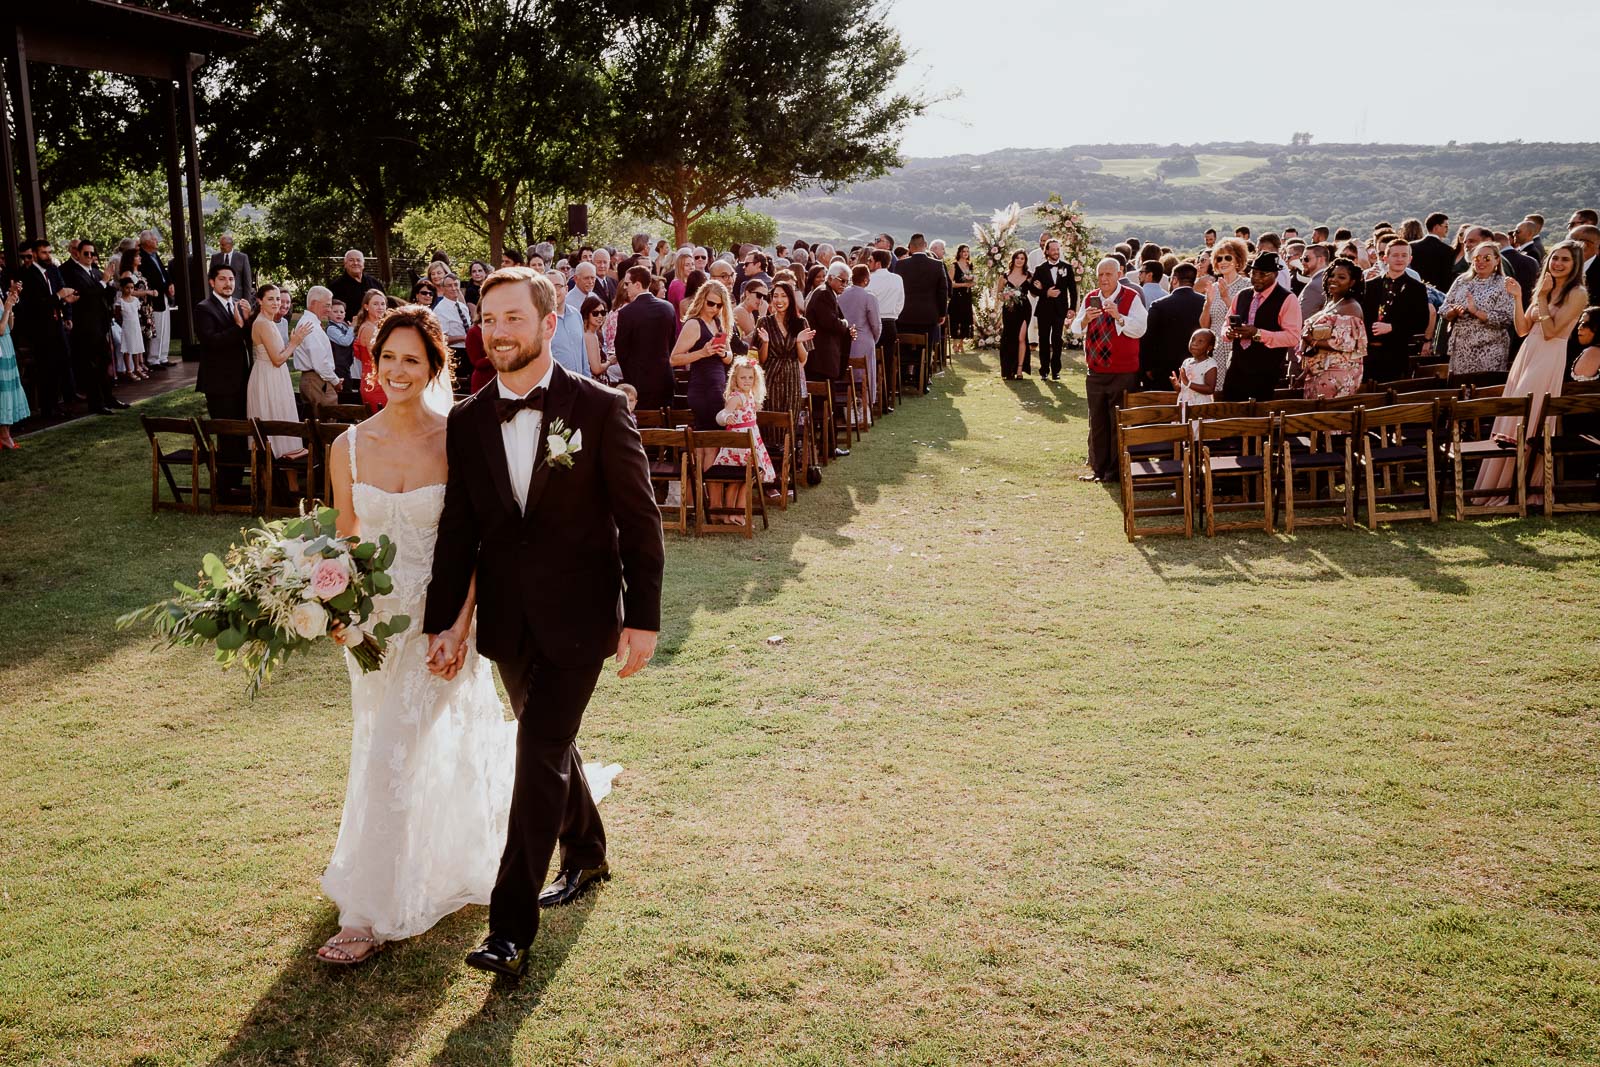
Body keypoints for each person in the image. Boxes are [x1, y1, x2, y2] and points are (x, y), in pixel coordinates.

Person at [422, 267, 663, 980]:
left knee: (536, 758)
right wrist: (447, 622)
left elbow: (639, 520)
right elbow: (457, 528)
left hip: (583, 620)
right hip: (507, 625)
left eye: (512, 318)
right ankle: (587, 851)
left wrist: (641, 618)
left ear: (547, 320)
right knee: (550, 746)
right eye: (488, 318)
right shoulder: (468, 419)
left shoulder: (598, 407)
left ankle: (508, 929)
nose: (497, 331)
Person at [317, 304, 520, 965]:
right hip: (372, 632)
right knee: (381, 746)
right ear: (373, 365)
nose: (398, 369)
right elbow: (345, 536)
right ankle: (439, 858)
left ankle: (366, 913)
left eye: (412, 358)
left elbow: (472, 541)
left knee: (392, 756)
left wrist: (459, 626)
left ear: (434, 366)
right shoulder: (345, 447)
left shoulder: (455, 438)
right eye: (387, 357)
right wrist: (334, 609)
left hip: (438, 623)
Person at [1475, 242, 1588, 504]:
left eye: (1565, 260)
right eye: (1555, 258)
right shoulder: (1545, 287)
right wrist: (1517, 297)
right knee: (1513, 412)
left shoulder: (1577, 293)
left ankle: (1523, 486)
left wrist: (1541, 297)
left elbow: (1552, 332)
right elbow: (1523, 328)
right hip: (1527, 353)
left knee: (1529, 416)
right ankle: (1500, 486)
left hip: (1548, 357)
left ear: (1575, 265)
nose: (1557, 264)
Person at [1070, 258, 1147, 483]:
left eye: (1108, 275)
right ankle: (1098, 469)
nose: (1104, 279)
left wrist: (1119, 317)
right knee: (1098, 422)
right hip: (1095, 372)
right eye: (1100, 275)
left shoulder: (1131, 297)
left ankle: (1115, 471)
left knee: (1118, 422)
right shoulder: (1090, 297)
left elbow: (1141, 329)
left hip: (1123, 372)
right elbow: (1075, 329)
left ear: (1119, 274)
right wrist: (1084, 319)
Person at [193, 263, 252, 492]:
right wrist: (238, 327)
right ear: (212, 282)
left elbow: (245, 340)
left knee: (239, 434)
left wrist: (247, 321)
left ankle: (236, 482)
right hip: (219, 384)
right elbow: (211, 341)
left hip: (240, 380)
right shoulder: (204, 308)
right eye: (222, 279)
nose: (228, 283)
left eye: (231, 279)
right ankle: (227, 487)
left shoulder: (236, 305)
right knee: (227, 435)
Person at [1222, 251, 1303, 401]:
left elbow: (1293, 337)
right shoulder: (1242, 295)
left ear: (1275, 274)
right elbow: (1226, 324)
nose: (1256, 278)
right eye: (1254, 273)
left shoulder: (1287, 299)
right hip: (1236, 368)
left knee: (1257, 419)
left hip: (1265, 371)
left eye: (1263, 274)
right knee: (1230, 414)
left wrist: (1257, 333)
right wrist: (1229, 332)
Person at [247, 285, 315, 457]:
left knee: (278, 416)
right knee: (275, 417)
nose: (276, 303)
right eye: (270, 299)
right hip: (269, 376)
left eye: (278, 298)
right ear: (260, 301)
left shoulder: (267, 322)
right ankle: (278, 467)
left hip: (271, 374)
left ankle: (281, 473)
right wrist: (295, 342)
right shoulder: (264, 324)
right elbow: (277, 360)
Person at [710, 357, 777, 521]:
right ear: (735, 379)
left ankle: (735, 514)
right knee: (739, 479)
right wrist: (726, 418)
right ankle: (733, 514)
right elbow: (722, 414)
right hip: (739, 444)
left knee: (746, 480)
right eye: (743, 377)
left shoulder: (750, 396)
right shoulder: (737, 397)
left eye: (750, 377)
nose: (747, 381)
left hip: (752, 441)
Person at [755, 280, 813, 457]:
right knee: (769, 422)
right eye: (775, 296)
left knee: (789, 421)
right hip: (770, 377)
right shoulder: (764, 322)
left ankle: (788, 466)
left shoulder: (801, 322)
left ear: (790, 299)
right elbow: (762, 359)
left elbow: (803, 359)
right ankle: (768, 467)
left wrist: (798, 341)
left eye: (784, 296)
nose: (779, 300)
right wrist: (765, 343)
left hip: (791, 378)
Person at [61, 239, 120, 412]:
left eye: (92, 253)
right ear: (77, 254)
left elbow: (106, 295)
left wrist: (107, 283)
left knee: (105, 363)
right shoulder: (73, 273)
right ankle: (96, 403)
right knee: (91, 367)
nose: (89, 256)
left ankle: (109, 398)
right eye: (85, 253)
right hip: (85, 326)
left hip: (100, 325)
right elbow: (86, 295)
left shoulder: (95, 272)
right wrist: (103, 282)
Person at [1360, 239, 1430, 383]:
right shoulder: (1369, 286)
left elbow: (1421, 322)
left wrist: (1392, 327)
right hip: (1367, 353)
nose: (1399, 259)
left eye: (1404, 255)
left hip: (1396, 353)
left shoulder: (1417, 288)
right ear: (1385, 258)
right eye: (1395, 255)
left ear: (1410, 259)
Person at [1441, 242, 1515, 376]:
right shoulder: (1462, 280)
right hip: (1461, 348)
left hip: (1490, 348)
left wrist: (1476, 312)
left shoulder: (1503, 284)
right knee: (1461, 389)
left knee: (1483, 391)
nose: (1481, 262)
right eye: (1477, 258)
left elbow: (1505, 318)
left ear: (1497, 260)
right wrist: (1454, 312)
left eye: (1486, 258)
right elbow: (1444, 308)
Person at [1298, 257, 1367, 399]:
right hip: (1319, 371)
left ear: (1352, 282)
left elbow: (1345, 343)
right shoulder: (1331, 304)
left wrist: (1311, 341)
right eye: (1331, 275)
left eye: (1341, 277)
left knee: (1328, 415)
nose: (1334, 279)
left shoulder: (1351, 307)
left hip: (1337, 374)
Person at [671, 278, 735, 432]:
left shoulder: (718, 323)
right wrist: (702, 353)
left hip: (718, 388)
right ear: (702, 300)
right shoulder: (694, 324)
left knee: (714, 441)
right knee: (708, 440)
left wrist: (723, 353)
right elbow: (673, 359)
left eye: (719, 305)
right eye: (710, 303)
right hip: (703, 389)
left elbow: (729, 357)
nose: (714, 308)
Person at [614, 265, 676, 413]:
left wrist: (631, 377)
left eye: (627, 284)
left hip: (639, 381)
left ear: (638, 284)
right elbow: (672, 343)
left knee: (644, 428)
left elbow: (621, 349)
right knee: (667, 428)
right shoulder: (668, 308)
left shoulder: (626, 313)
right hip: (665, 378)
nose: (625, 288)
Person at [1140, 262, 1205, 389]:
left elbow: (1148, 338)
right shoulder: (1205, 302)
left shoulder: (1159, 305)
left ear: (1174, 280)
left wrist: (1147, 367)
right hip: (1196, 367)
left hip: (1163, 369)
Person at [1199, 236, 1252, 392]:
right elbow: (1204, 325)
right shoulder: (1213, 287)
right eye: (1219, 258)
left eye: (1227, 257)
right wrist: (1208, 303)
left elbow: (1245, 318)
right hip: (1214, 349)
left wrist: (1226, 298)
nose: (1222, 261)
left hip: (1235, 347)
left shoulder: (1247, 286)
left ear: (1238, 260)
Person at [893, 233, 949, 377]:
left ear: (910, 247)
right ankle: (923, 377)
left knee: (904, 346)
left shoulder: (901, 264)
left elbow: (896, 290)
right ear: (925, 246)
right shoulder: (937, 265)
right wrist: (942, 313)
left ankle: (904, 376)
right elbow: (943, 291)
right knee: (926, 346)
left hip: (905, 314)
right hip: (929, 315)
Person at [837, 263, 881, 420]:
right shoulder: (869, 297)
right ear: (866, 280)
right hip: (864, 341)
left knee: (846, 375)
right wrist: (873, 339)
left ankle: (847, 412)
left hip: (843, 341)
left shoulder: (840, 295)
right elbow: (876, 324)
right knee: (865, 376)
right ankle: (864, 412)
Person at [1029, 238, 1077, 381]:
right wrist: (1046, 293)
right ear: (1047, 251)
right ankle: (1044, 370)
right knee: (1043, 340)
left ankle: (1056, 371)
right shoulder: (1040, 269)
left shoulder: (1067, 268)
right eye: (1053, 249)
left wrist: (1072, 308)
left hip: (1060, 310)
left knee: (1057, 340)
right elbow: (1032, 289)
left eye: (1057, 249)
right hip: (1044, 310)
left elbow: (1072, 290)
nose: (1056, 252)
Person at [290, 285, 342, 410]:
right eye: (327, 305)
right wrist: (335, 382)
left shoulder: (310, 323)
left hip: (316, 379)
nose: (329, 310)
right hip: (316, 381)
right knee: (326, 420)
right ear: (314, 303)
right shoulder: (310, 326)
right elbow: (320, 362)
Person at [138, 229, 173, 371]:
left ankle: (163, 356)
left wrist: (170, 284)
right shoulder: (142, 256)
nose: (156, 241)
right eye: (153, 239)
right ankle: (153, 359)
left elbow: (163, 272)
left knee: (165, 326)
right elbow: (148, 278)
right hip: (154, 296)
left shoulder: (154, 255)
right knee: (157, 327)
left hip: (163, 294)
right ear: (146, 242)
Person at [866, 249, 904, 377]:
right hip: (890, 323)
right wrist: (893, 315)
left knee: (870, 359)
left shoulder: (869, 279)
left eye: (870, 260)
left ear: (878, 263)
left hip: (871, 323)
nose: (868, 263)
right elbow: (900, 302)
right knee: (887, 361)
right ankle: (886, 392)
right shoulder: (897, 279)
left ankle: (871, 391)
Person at [544, 270, 588, 378]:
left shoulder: (576, 315)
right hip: (555, 387)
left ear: (566, 289)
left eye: (558, 286)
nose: (554, 291)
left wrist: (587, 380)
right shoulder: (541, 321)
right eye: (549, 287)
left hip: (579, 385)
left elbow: (583, 354)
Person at [0, 280, 29, 448]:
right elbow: (0, 329)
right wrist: (8, 307)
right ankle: (4, 435)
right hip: (1, 350)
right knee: (3, 391)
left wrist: (10, 306)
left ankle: (6, 433)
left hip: (7, 347)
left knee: (10, 389)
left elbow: (10, 327)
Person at [995, 250, 1032, 380]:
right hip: (1009, 310)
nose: (1020, 260)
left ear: (1025, 261)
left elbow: (1034, 292)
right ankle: (1008, 369)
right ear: (1013, 259)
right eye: (1017, 257)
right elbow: (998, 295)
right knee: (1009, 338)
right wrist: (1005, 296)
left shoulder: (1029, 276)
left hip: (1024, 310)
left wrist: (1039, 286)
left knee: (1021, 338)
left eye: (1022, 258)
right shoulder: (1004, 276)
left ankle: (1020, 369)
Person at [434, 274, 474, 390]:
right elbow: (442, 339)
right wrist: (463, 338)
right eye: (449, 286)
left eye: (456, 285)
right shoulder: (440, 310)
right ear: (443, 289)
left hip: (468, 351)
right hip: (455, 353)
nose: (453, 288)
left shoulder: (463, 307)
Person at [354, 288, 389, 411]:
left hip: (380, 380)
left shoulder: (377, 326)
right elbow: (376, 357)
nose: (380, 307)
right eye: (375, 304)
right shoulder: (368, 328)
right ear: (366, 306)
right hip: (374, 384)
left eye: (382, 304)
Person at [1172, 329, 1218, 408]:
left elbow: (1210, 389)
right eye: (1193, 339)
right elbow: (1182, 387)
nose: (1194, 343)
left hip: (1200, 407)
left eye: (1200, 341)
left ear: (1209, 347)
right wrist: (1176, 385)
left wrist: (1188, 383)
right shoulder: (1186, 362)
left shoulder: (1210, 364)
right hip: (1184, 404)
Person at [1410, 212, 1455, 291]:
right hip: (1439, 293)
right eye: (1446, 226)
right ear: (1436, 227)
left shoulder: (1411, 246)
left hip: (1414, 290)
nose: (1447, 229)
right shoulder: (1447, 250)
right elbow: (1447, 277)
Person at [582, 294, 618, 381]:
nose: (600, 316)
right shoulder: (590, 336)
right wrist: (610, 361)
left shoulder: (594, 334)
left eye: (603, 312)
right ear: (587, 314)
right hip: (595, 384)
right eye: (595, 313)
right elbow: (596, 369)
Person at [210, 232, 254, 302]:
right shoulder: (215, 258)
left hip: (237, 298)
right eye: (220, 244)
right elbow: (211, 278)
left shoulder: (242, 258)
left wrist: (246, 301)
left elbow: (247, 281)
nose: (221, 247)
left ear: (230, 245)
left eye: (223, 245)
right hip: (219, 298)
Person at [947, 244, 974, 352]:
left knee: (965, 319)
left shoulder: (970, 265)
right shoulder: (954, 266)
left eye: (967, 251)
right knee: (955, 318)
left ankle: (962, 344)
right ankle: (954, 344)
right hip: (957, 296)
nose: (965, 253)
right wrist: (963, 285)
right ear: (959, 253)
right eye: (963, 251)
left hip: (967, 296)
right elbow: (950, 283)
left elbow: (973, 279)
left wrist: (972, 283)